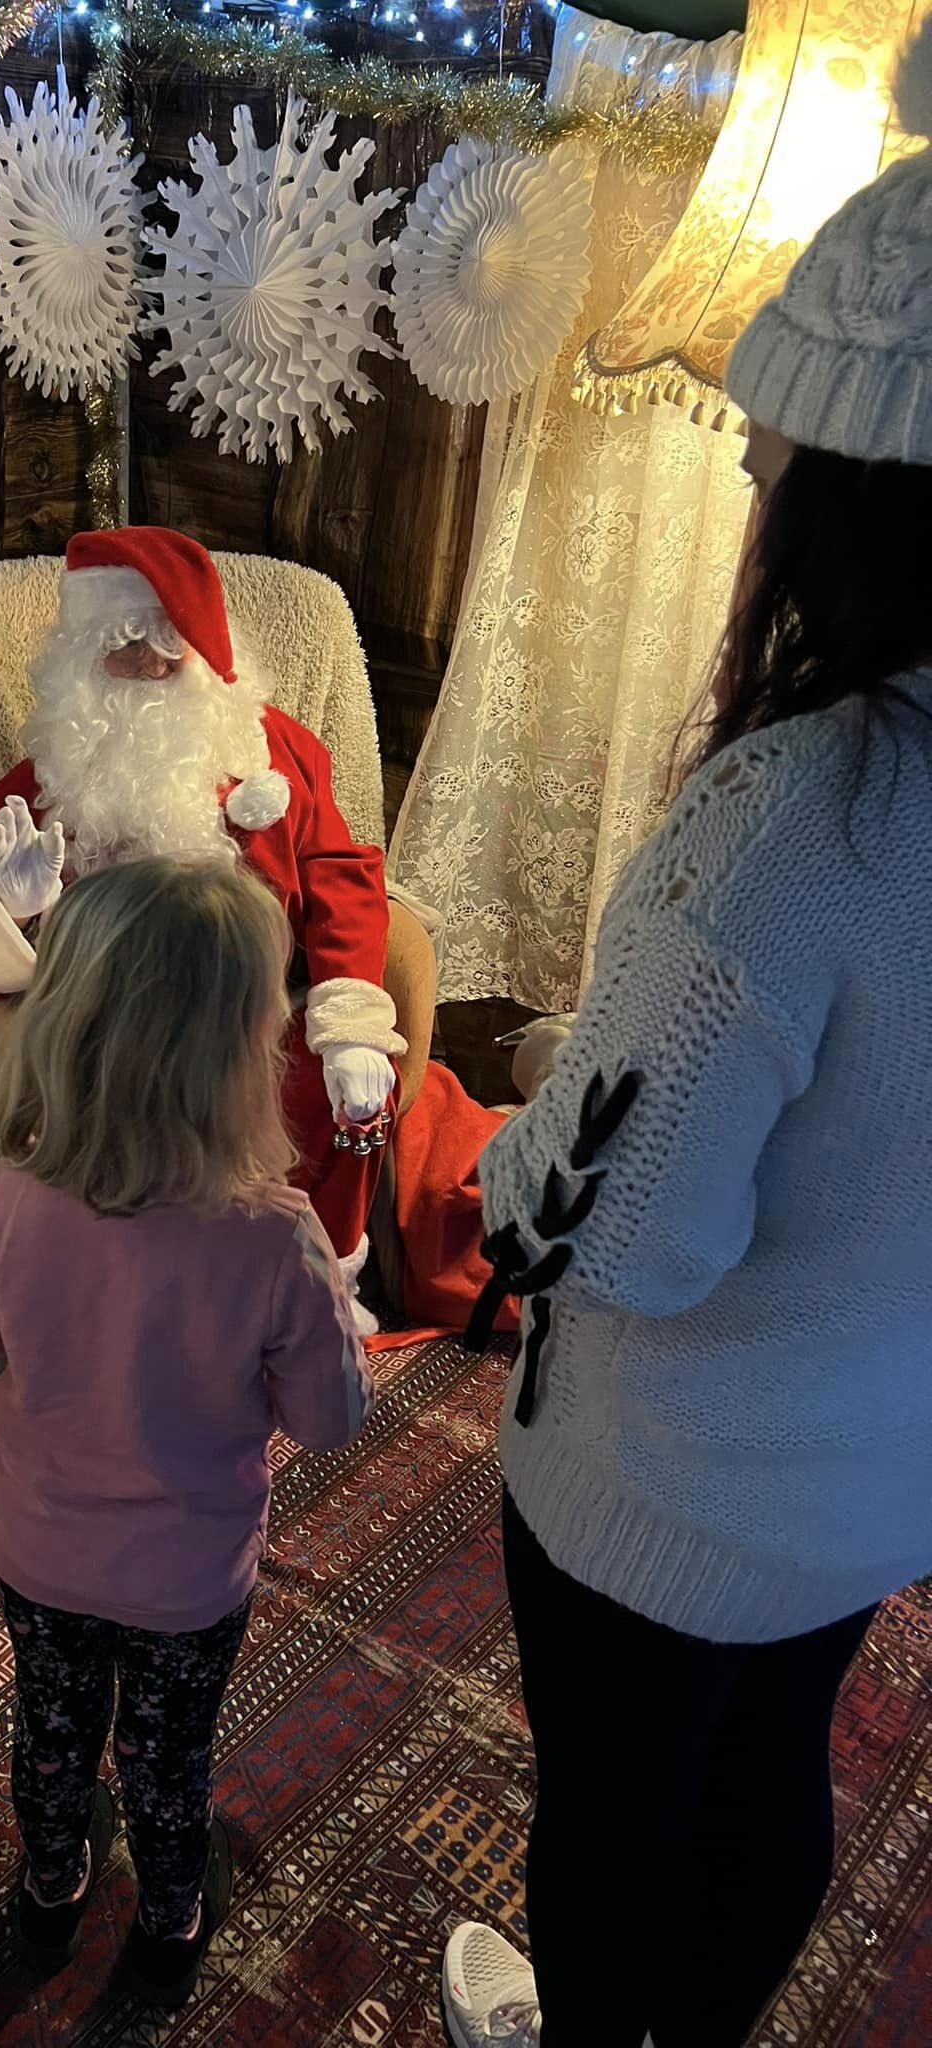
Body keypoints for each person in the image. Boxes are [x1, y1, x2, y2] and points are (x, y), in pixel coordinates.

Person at [441, 28, 932, 2048]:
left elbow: (619, 1230)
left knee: (620, 1810)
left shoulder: (789, 824)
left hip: (664, 1487)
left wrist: (488, 1148)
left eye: (770, 450)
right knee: (771, 1771)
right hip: (873, 1469)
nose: (744, 474)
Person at [0, 857, 373, 2008]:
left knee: (52, 1736)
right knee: (168, 1762)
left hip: (40, 1551)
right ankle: (169, 1925)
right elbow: (327, 1419)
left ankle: (49, 1892)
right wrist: (333, 1317)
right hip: (187, 1582)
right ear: (244, 1050)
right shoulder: (277, 1235)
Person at [0, 525, 405, 1327]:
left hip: (257, 1009)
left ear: (204, 652)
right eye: (122, 648)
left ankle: (315, 1287)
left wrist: (350, 1018)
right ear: (81, 662)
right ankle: (133, 1306)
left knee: (349, 1091)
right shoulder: (41, 789)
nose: (147, 666)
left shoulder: (276, 750)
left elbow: (343, 876)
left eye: (165, 646)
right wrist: (7, 911)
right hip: (111, 1026)